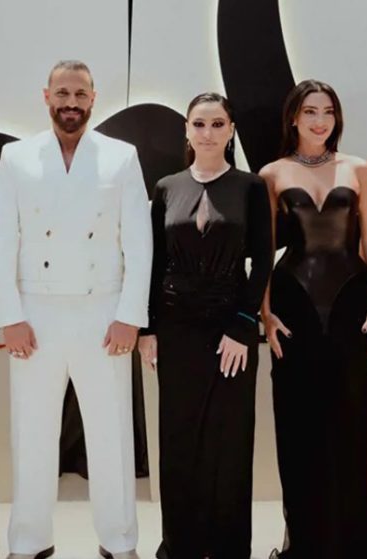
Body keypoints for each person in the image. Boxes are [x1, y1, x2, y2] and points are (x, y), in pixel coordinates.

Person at [0, 60, 152, 559]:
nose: (71, 103)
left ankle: (119, 542)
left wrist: (130, 314)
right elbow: (1, 239)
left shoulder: (121, 156)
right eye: (62, 93)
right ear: (47, 97)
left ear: (93, 99)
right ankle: (29, 540)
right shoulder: (16, 157)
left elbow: (138, 240)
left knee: (111, 435)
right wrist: (9, 316)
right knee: (32, 434)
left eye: (80, 94)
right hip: (34, 315)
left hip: (104, 313)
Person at [137, 92, 273, 559]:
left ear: (231, 130)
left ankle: (229, 547)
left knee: (229, 439)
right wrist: (148, 329)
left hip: (231, 326)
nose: (208, 133)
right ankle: (181, 545)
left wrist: (242, 325)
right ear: (187, 130)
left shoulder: (251, 187)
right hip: (176, 328)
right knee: (179, 437)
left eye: (217, 124)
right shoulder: (166, 187)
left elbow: (262, 262)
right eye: (199, 124)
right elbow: (153, 263)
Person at [258, 80, 367, 559]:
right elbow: (263, 250)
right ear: (293, 117)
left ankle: (349, 540)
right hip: (293, 306)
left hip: (353, 304)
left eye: (328, 111)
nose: (319, 121)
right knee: (298, 425)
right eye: (310, 111)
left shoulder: (358, 169)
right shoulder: (271, 174)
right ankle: (305, 540)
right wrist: (265, 312)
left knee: (350, 422)